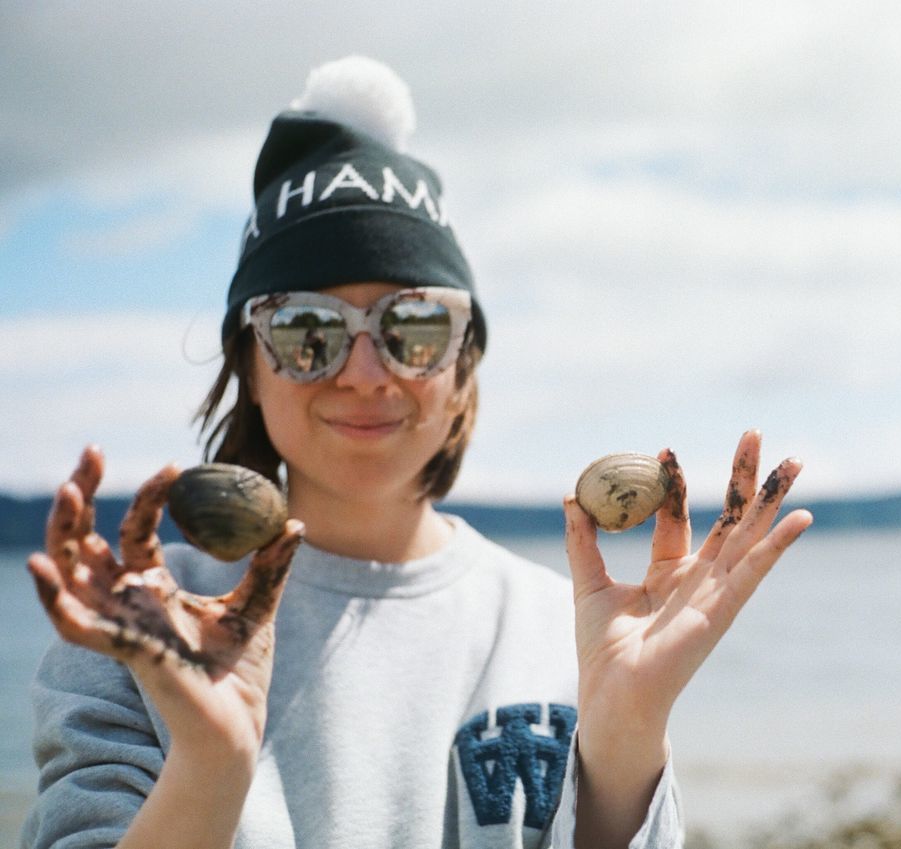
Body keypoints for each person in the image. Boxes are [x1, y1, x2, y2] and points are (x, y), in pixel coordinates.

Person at [21, 56, 812, 849]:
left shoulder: (572, 628)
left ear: (464, 364)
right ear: (250, 365)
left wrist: (630, 736)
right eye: (306, 330)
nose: (365, 375)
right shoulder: (141, 631)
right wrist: (211, 764)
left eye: (416, 327)